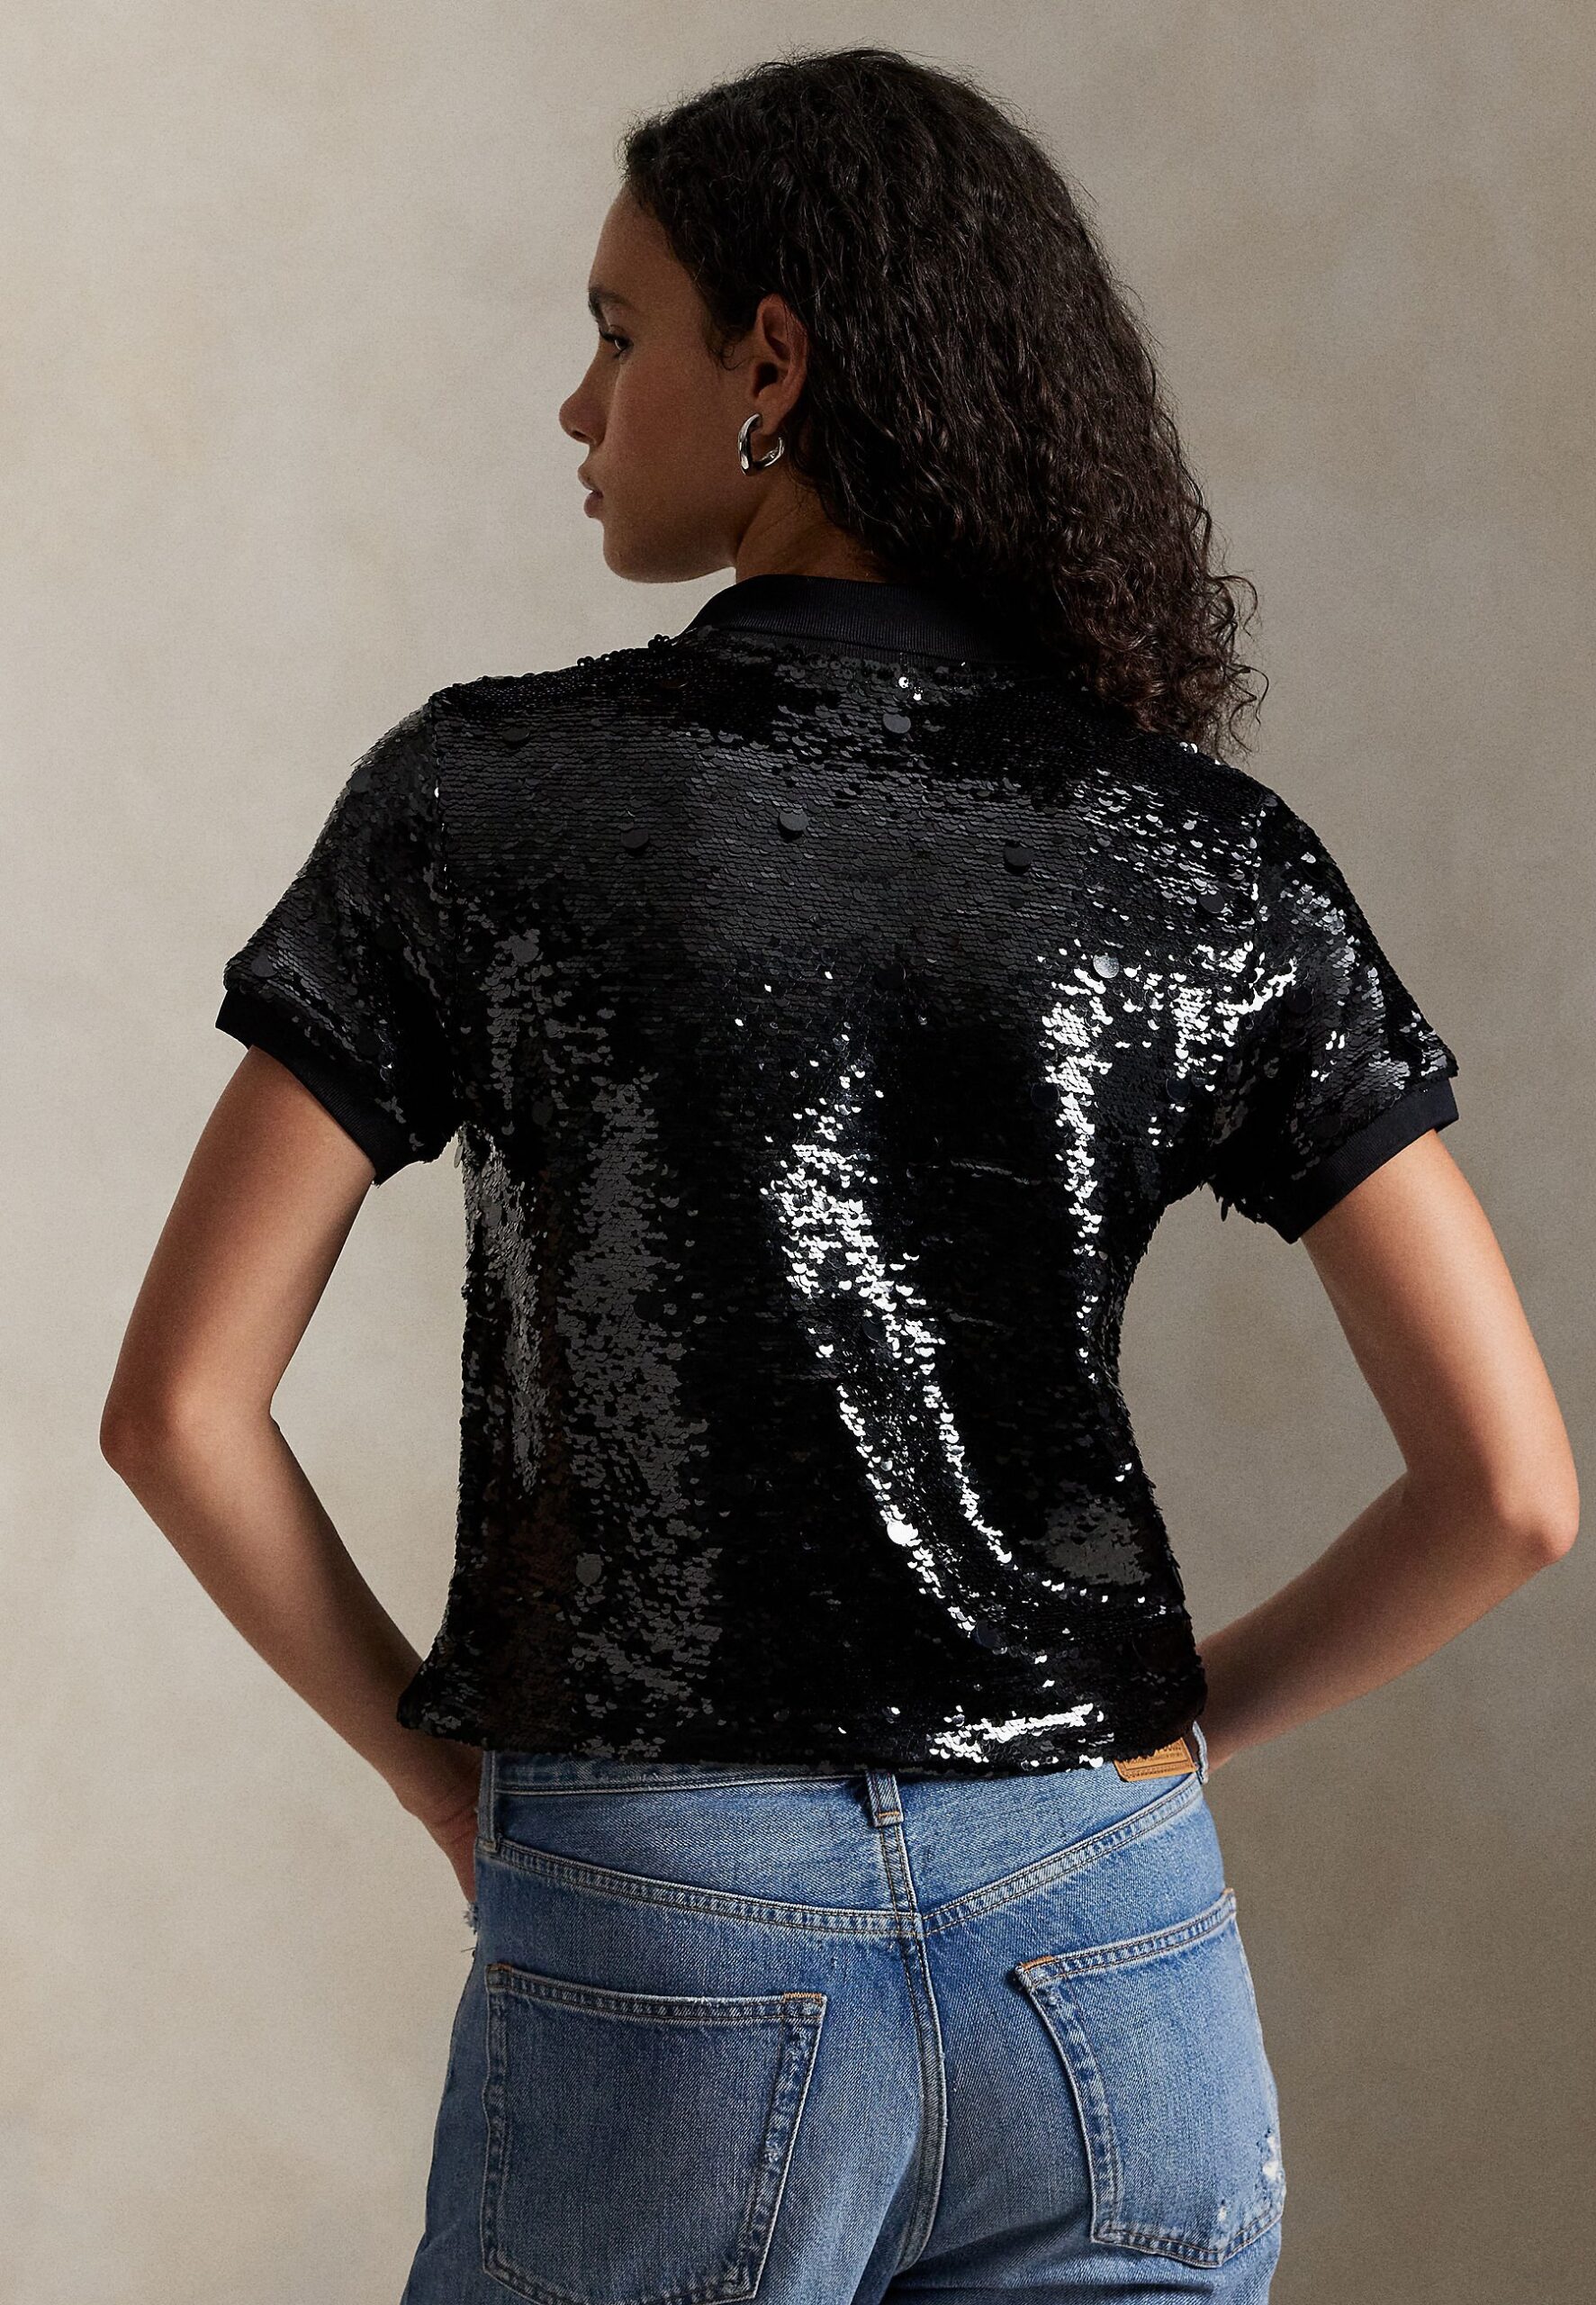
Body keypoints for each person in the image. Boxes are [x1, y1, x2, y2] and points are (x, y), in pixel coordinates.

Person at [101, 45, 1576, 2305]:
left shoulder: (485, 799)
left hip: (664, 1915)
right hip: (1109, 1946)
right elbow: (1511, 1491)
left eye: (617, 332)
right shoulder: (1198, 856)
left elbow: (177, 1407)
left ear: (769, 363)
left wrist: (443, 1777)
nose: (578, 405)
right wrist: (1170, 1737)